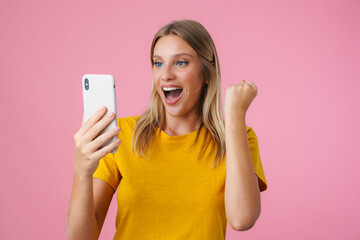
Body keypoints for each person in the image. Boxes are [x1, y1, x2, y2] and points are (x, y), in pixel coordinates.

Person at [67, 19, 267, 240]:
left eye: (181, 63)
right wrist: (82, 171)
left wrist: (235, 115)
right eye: (158, 63)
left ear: (207, 72)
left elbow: (242, 219)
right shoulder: (121, 135)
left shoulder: (238, 138)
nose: (166, 75)